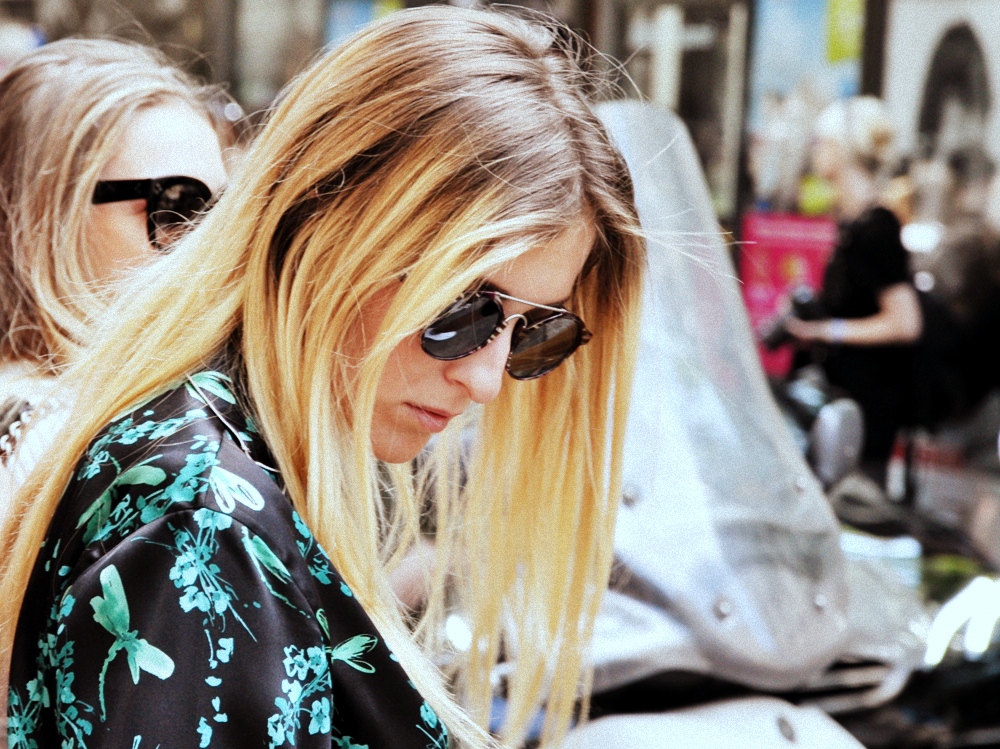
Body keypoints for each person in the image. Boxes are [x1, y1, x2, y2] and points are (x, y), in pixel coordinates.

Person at [0, 8, 645, 749]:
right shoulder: (205, 520)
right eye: (463, 307)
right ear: (329, 228)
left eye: (537, 331)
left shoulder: (223, 463)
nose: (487, 379)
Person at [0, 39, 229, 526]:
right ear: (46, 219)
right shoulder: (82, 444)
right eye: (177, 205)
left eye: (224, 212)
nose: (209, 243)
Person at [785, 96, 922, 468]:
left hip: (868, 405)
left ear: (843, 149)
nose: (815, 150)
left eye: (822, 142)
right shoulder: (852, 222)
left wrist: (826, 330)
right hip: (844, 398)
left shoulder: (878, 226)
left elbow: (905, 322)